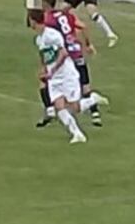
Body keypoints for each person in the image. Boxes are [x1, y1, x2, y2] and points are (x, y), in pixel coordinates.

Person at [27, 8, 108, 145]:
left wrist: (52, 71)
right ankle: (77, 134)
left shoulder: (53, 35)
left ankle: (92, 99)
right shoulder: (39, 39)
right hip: (53, 78)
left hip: (66, 75)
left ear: (34, 21)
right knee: (59, 107)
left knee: (74, 108)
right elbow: (44, 57)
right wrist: (44, 70)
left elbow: (63, 54)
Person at [39, 0, 100, 127]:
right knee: (85, 85)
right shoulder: (67, 15)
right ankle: (95, 114)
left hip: (65, 55)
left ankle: (50, 111)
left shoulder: (48, 20)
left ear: (44, 4)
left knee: (44, 81)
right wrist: (88, 44)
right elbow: (82, 26)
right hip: (76, 51)